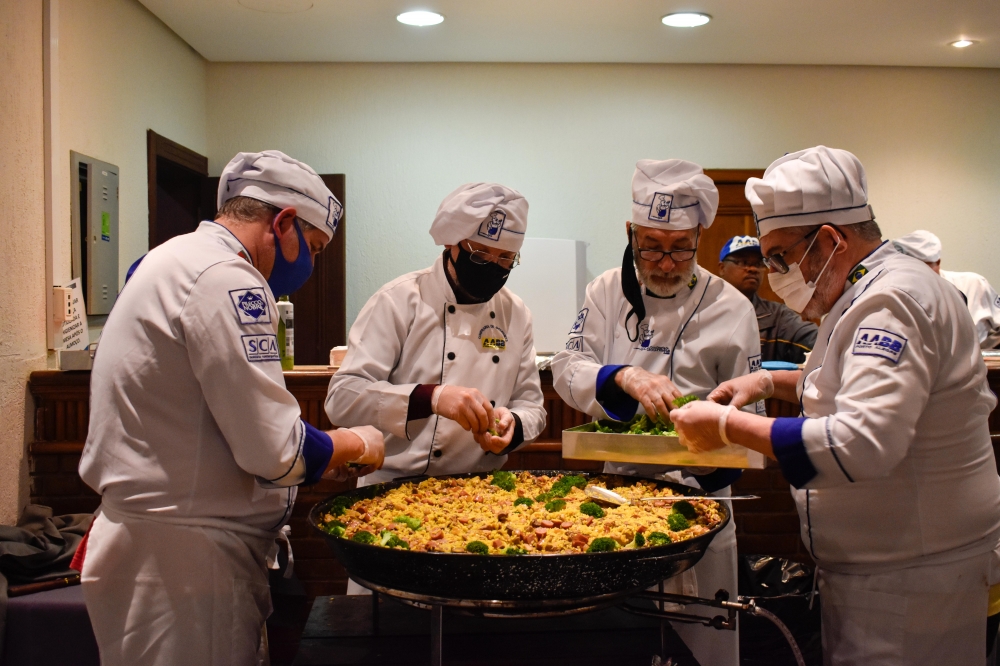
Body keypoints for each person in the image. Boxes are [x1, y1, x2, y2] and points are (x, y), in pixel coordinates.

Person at [671, 146, 1000, 665]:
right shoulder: (870, 290)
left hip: (910, 578)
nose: (775, 273)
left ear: (829, 240)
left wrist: (727, 427)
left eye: (780, 257)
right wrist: (766, 383)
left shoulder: (892, 303)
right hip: (888, 567)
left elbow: (859, 442)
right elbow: (841, 384)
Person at [78, 150, 385, 666]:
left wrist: (318, 463)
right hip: (187, 561)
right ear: (283, 222)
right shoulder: (228, 278)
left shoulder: (169, 259)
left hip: (157, 542)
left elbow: (209, 417)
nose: (310, 266)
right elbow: (274, 450)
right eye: (312, 248)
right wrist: (356, 442)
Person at [551, 159, 765, 666]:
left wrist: (713, 438)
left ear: (699, 238)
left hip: (703, 497)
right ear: (630, 234)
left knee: (705, 643)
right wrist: (622, 376)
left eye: (680, 248)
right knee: (624, 639)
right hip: (616, 493)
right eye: (650, 247)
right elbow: (566, 366)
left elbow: (751, 414)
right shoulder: (606, 291)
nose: (666, 264)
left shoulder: (731, 306)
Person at [325, 183, 547, 485]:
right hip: (392, 485)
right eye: (481, 255)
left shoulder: (516, 313)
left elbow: (532, 406)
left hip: (479, 488)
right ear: (452, 243)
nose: (493, 267)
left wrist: (515, 425)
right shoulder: (399, 300)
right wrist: (432, 397)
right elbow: (343, 398)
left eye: (506, 259)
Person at [717, 235, 818, 364]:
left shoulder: (778, 317)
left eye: (759, 264)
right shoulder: (702, 310)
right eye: (743, 262)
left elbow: (816, 339)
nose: (753, 269)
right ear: (722, 268)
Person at [892, 230, 1000, 349]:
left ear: (937, 263)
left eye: (922, 268)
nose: (917, 275)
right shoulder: (895, 294)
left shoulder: (973, 284)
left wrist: (983, 352)